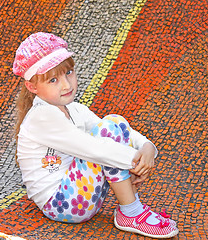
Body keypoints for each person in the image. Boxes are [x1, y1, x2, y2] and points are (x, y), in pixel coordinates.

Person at [13, 32, 178, 238]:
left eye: (69, 73)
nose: (66, 84)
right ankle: (131, 212)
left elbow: (114, 130)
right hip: (60, 203)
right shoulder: (41, 116)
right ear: (32, 87)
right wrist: (135, 161)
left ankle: (132, 209)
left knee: (113, 121)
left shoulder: (74, 109)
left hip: (81, 195)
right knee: (107, 131)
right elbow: (95, 149)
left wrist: (147, 148)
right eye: (53, 80)